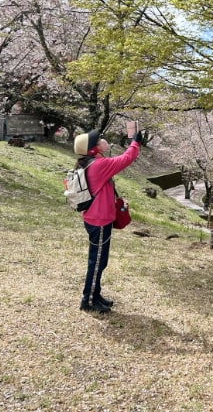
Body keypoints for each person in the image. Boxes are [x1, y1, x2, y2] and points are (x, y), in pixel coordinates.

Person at [73, 128, 143, 313]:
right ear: (93, 149)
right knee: (97, 261)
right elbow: (125, 159)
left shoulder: (91, 163)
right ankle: (88, 300)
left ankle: (95, 295)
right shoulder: (98, 165)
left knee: (99, 261)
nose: (104, 141)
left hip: (96, 218)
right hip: (99, 220)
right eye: (99, 140)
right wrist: (135, 142)